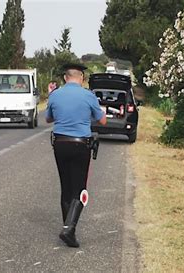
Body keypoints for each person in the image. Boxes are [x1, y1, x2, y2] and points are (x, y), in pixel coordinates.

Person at [46, 63, 107, 247]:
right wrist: (99, 109)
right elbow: (102, 121)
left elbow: (49, 118)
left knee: (66, 187)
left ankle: (68, 228)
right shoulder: (88, 95)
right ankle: (69, 229)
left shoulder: (55, 95)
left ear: (65, 78)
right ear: (81, 78)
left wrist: (52, 97)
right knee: (80, 189)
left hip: (60, 144)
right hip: (81, 145)